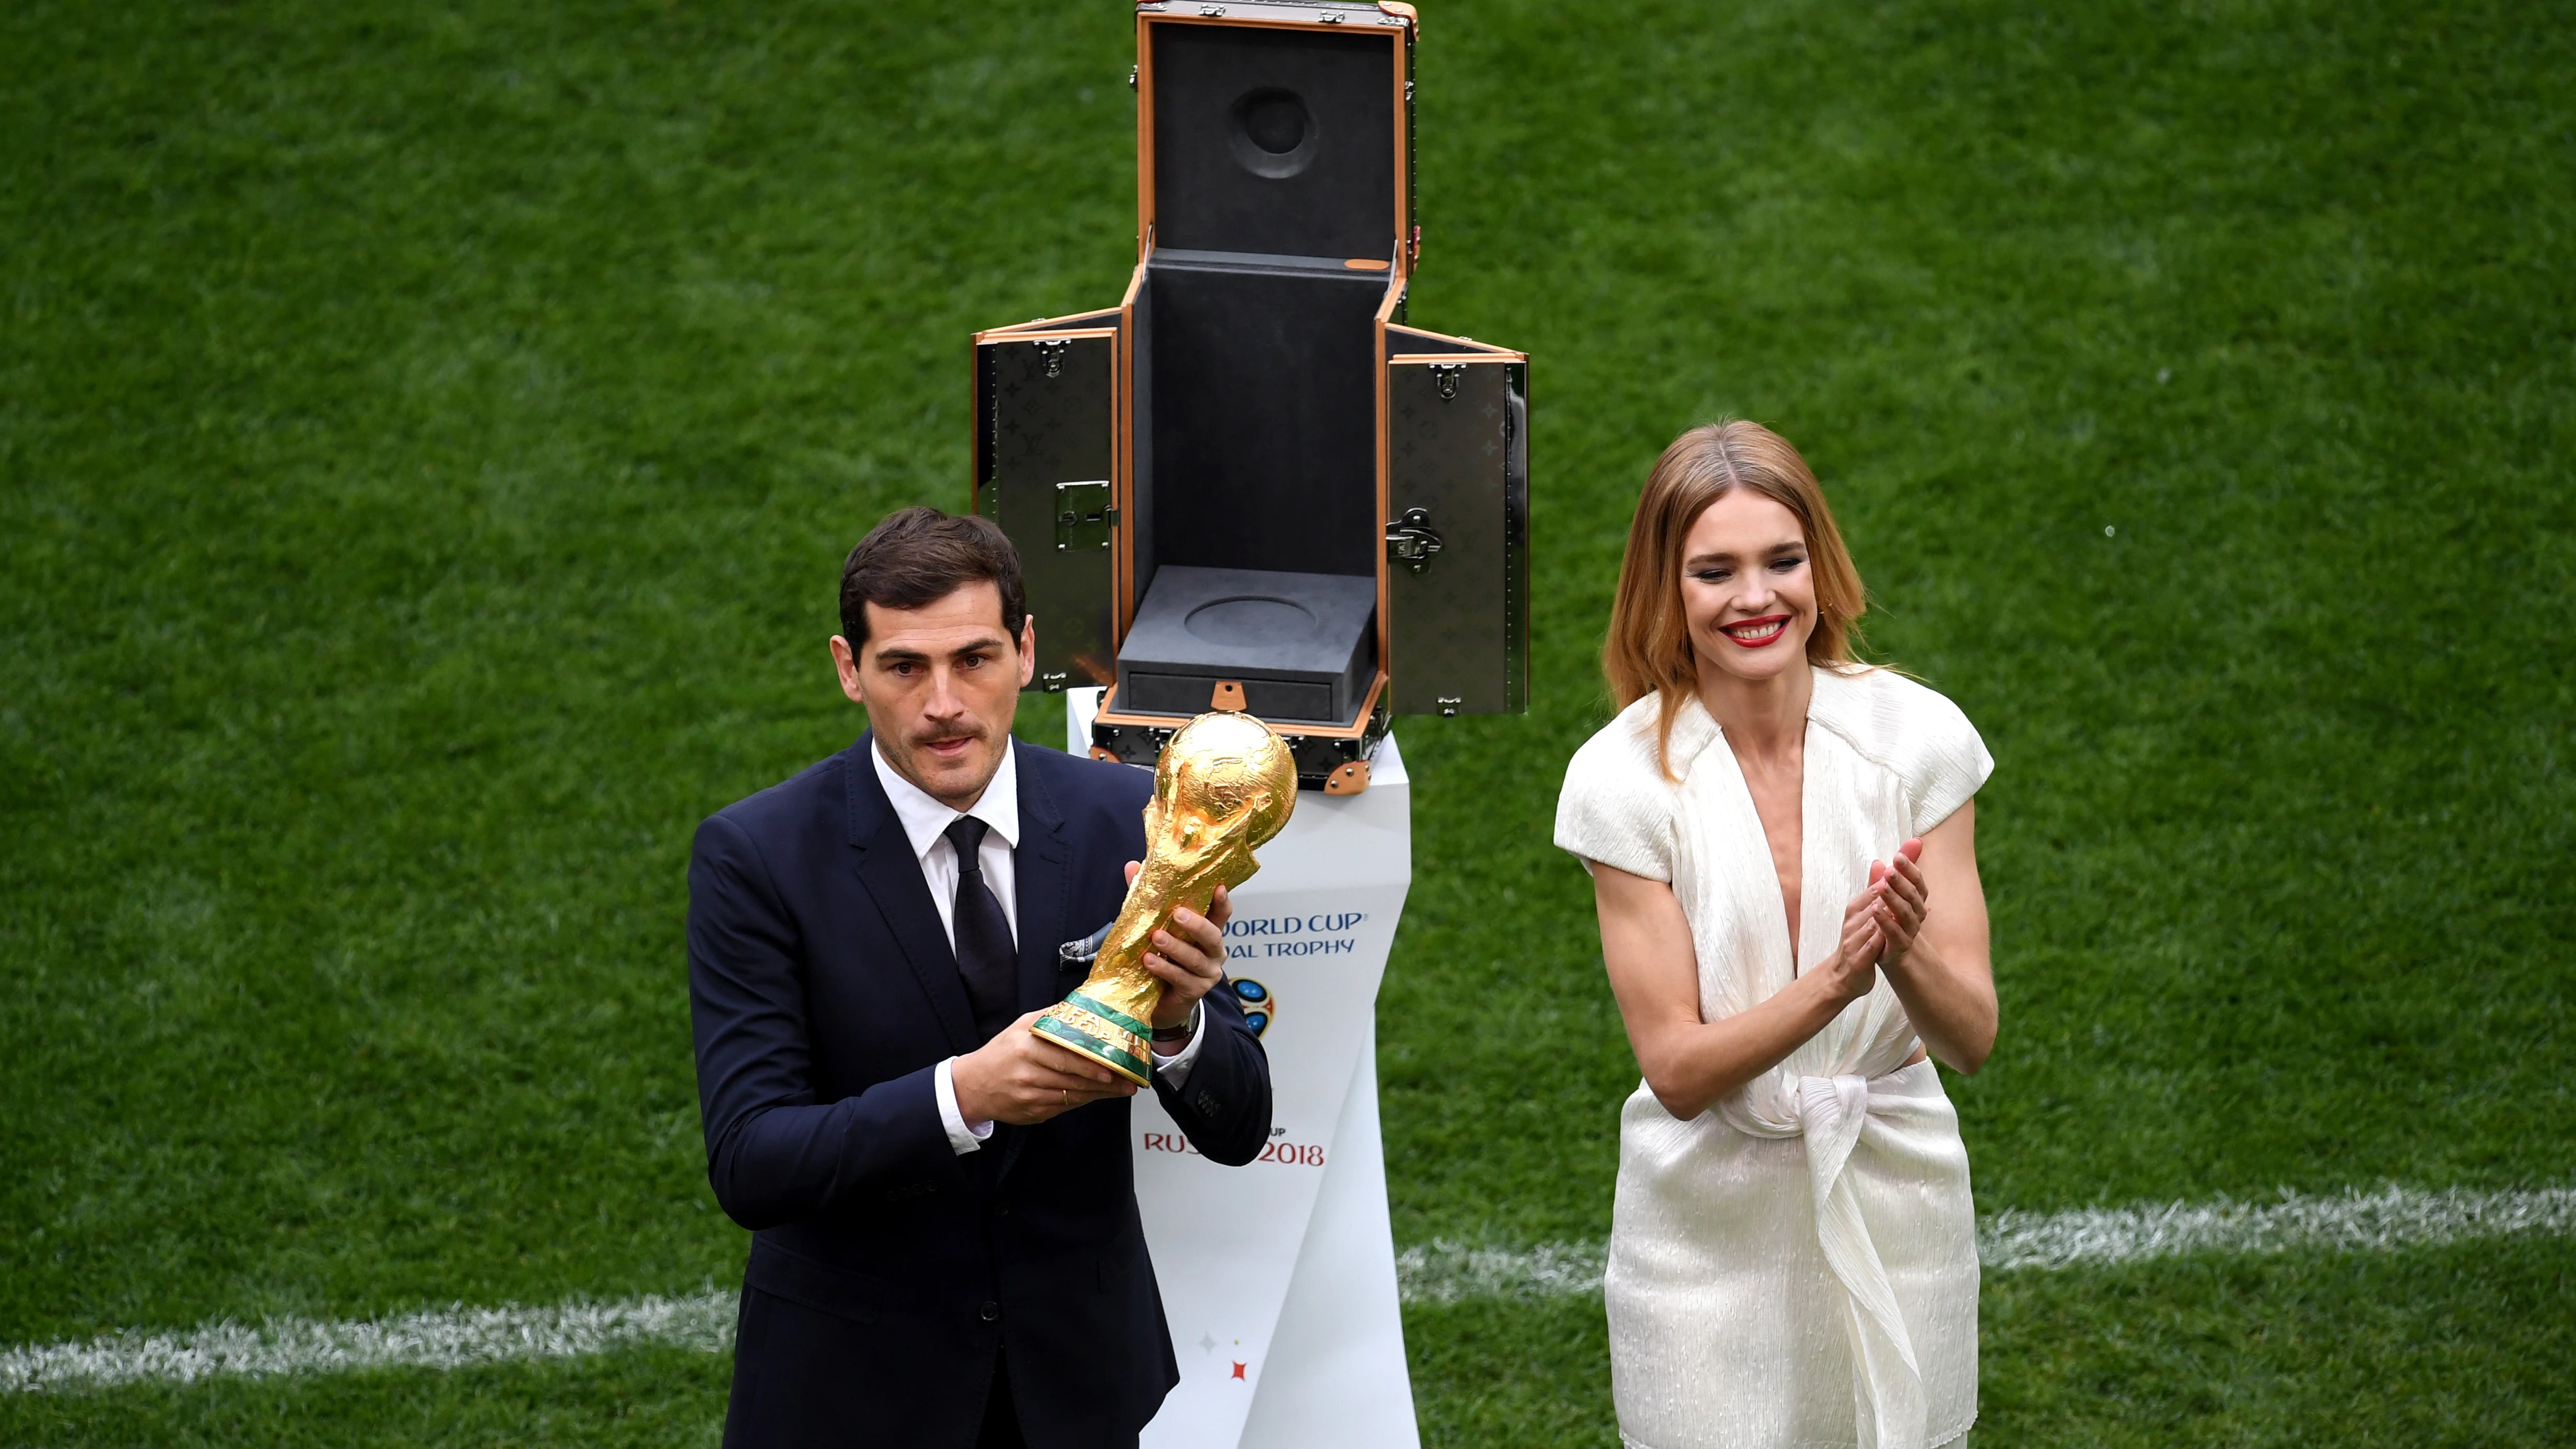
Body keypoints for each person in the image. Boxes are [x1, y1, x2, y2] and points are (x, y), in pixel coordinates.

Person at [688, 506, 1274, 1449]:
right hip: (851, 1402)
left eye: (975, 658)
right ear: (849, 668)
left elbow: (1242, 1127)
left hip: (1076, 1394)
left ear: (1026, 649)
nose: (945, 703)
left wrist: (1179, 1026)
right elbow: (753, 1159)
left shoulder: (1129, 820)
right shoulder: (756, 857)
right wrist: (963, 1095)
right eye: (904, 666)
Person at [1554, 423, 1997, 1449]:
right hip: (1701, 1224)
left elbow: (1971, 1037)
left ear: (1821, 566)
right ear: (1666, 590)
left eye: (1782, 561)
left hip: (1898, 1185)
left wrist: (1905, 951)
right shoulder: (1621, 782)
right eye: (1715, 571)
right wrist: (1838, 983)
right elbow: (1674, 1067)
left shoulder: (1921, 739)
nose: (1756, 598)